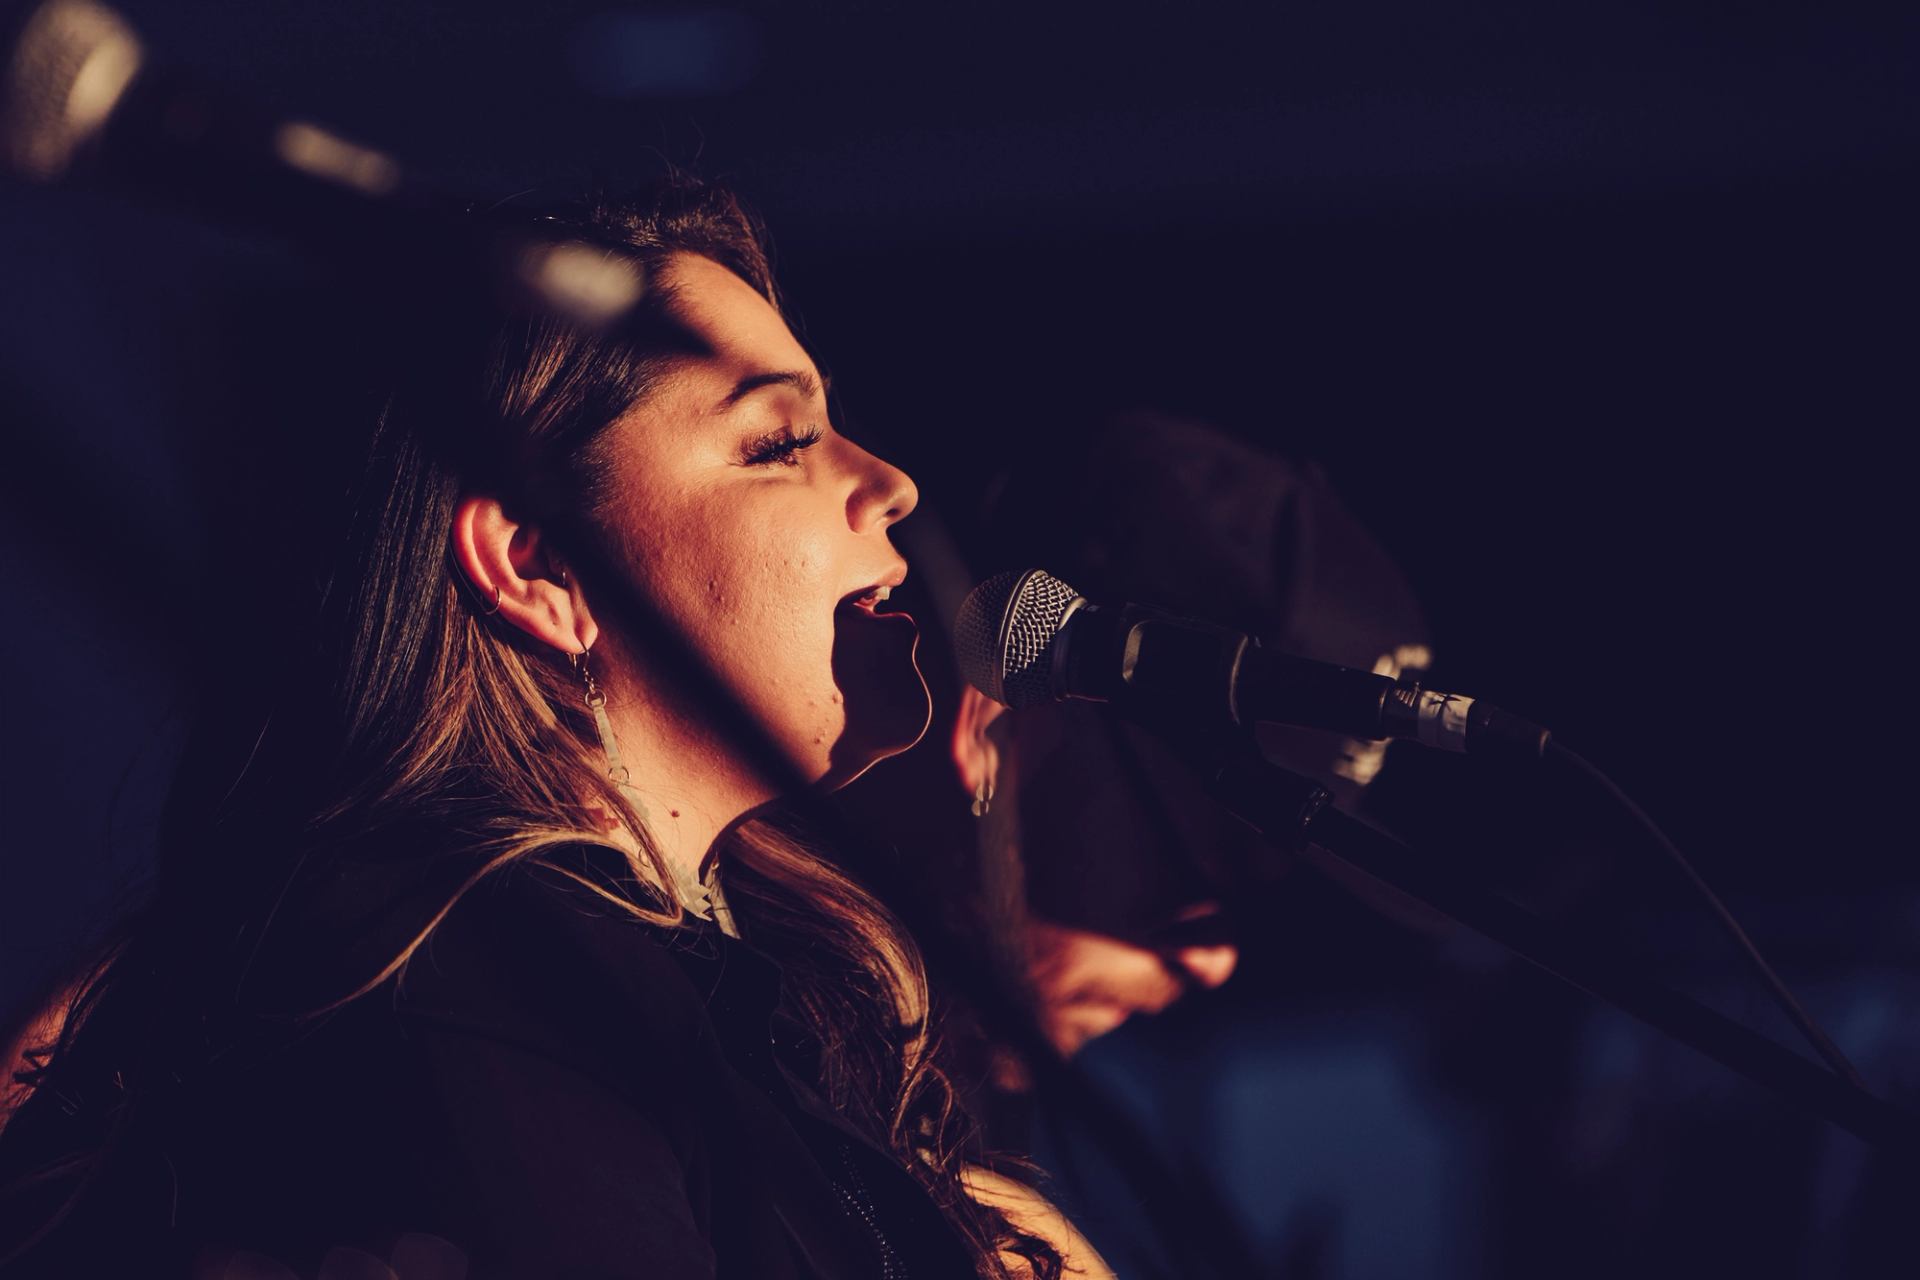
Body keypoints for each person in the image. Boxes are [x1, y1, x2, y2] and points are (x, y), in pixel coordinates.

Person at [0, 177, 1107, 1279]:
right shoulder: (483, 969)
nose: (892, 481)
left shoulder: (731, 985)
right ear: (537, 569)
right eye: (778, 441)